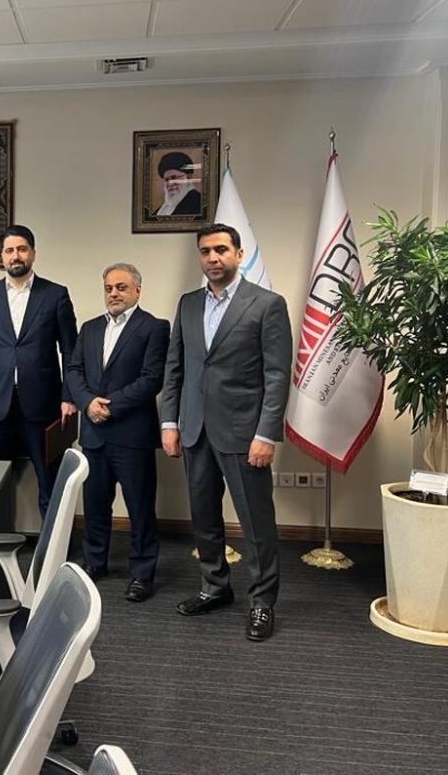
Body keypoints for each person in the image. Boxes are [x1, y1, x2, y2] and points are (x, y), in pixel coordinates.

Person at [161, 222, 292, 641]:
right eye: (205, 251)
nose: (213, 258)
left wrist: (266, 434)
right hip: (194, 430)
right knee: (204, 517)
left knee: (256, 523)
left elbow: (277, 375)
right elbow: (175, 367)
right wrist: (169, 422)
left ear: (238, 254)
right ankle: (215, 587)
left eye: (220, 249)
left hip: (244, 433)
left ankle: (262, 602)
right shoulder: (187, 304)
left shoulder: (267, 304)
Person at [65, 263, 169, 602]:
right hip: (94, 434)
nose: (114, 293)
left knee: (140, 509)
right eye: (109, 287)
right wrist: (87, 403)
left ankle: (142, 574)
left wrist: (108, 407)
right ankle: (95, 562)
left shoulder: (154, 327)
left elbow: (152, 379)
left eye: (121, 287)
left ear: (137, 290)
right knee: (95, 505)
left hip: (132, 435)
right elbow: (74, 370)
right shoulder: (90, 328)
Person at [0, 225, 77, 517]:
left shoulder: (55, 295)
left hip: (43, 404)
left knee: (50, 481)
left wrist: (69, 396)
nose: (16, 256)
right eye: (9, 250)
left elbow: (70, 351)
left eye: (22, 249)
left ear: (33, 253)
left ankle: (54, 543)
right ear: (2, 256)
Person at [154, 151, 203, 217]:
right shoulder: (161, 210)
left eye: (174, 177)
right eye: (167, 180)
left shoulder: (199, 203)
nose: (170, 184)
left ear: (188, 177)